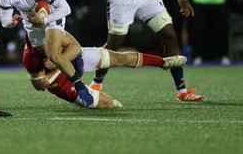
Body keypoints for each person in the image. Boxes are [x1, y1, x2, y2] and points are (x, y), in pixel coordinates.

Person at [0, 0, 94, 107]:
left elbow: (65, 8)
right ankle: (73, 57)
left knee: (53, 55)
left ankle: (81, 88)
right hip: (32, 27)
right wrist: (12, 22)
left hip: (52, 18)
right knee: (39, 85)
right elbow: (4, 21)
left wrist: (44, 20)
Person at [23, 33, 187, 109]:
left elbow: (76, 47)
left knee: (118, 57)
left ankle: (162, 63)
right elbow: (40, 85)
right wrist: (58, 66)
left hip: (75, 59)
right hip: (61, 81)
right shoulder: (30, 56)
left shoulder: (52, 28)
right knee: (108, 105)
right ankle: (90, 91)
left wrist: (58, 60)